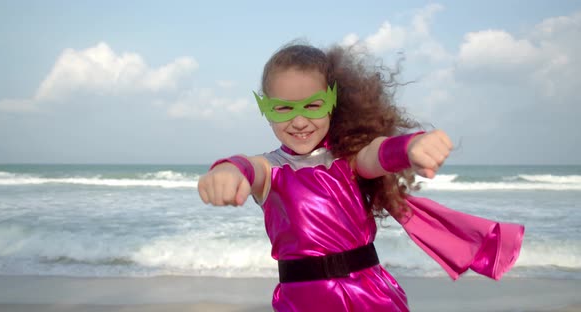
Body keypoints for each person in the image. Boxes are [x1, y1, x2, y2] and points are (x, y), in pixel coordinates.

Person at [198, 42, 524, 312]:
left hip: (371, 294)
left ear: (333, 102)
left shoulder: (347, 159)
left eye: (313, 105)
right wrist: (227, 169)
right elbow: (247, 166)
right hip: (304, 301)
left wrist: (411, 146)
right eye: (284, 108)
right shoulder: (272, 170)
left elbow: (377, 154)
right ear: (265, 108)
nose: (299, 120)